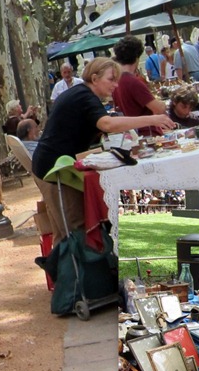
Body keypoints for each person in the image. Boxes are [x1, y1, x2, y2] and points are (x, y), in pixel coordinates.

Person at [31, 57, 175, 242]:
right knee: (73, 230)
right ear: (95, 77)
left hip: (56, 167)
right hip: (53, 170)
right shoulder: (84, 96)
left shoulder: (83, 94)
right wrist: (153, 119)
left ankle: (67, 269)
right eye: (111, 79)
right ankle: (73, 270)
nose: (115, 85)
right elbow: (106, 124)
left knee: (66, 231)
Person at [111, 35, 174, 137]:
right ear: (137, 57)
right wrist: (163, 104)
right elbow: (158, 109)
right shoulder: (133, 82)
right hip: (147, 134)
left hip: (133, 134)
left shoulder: (116, 81)